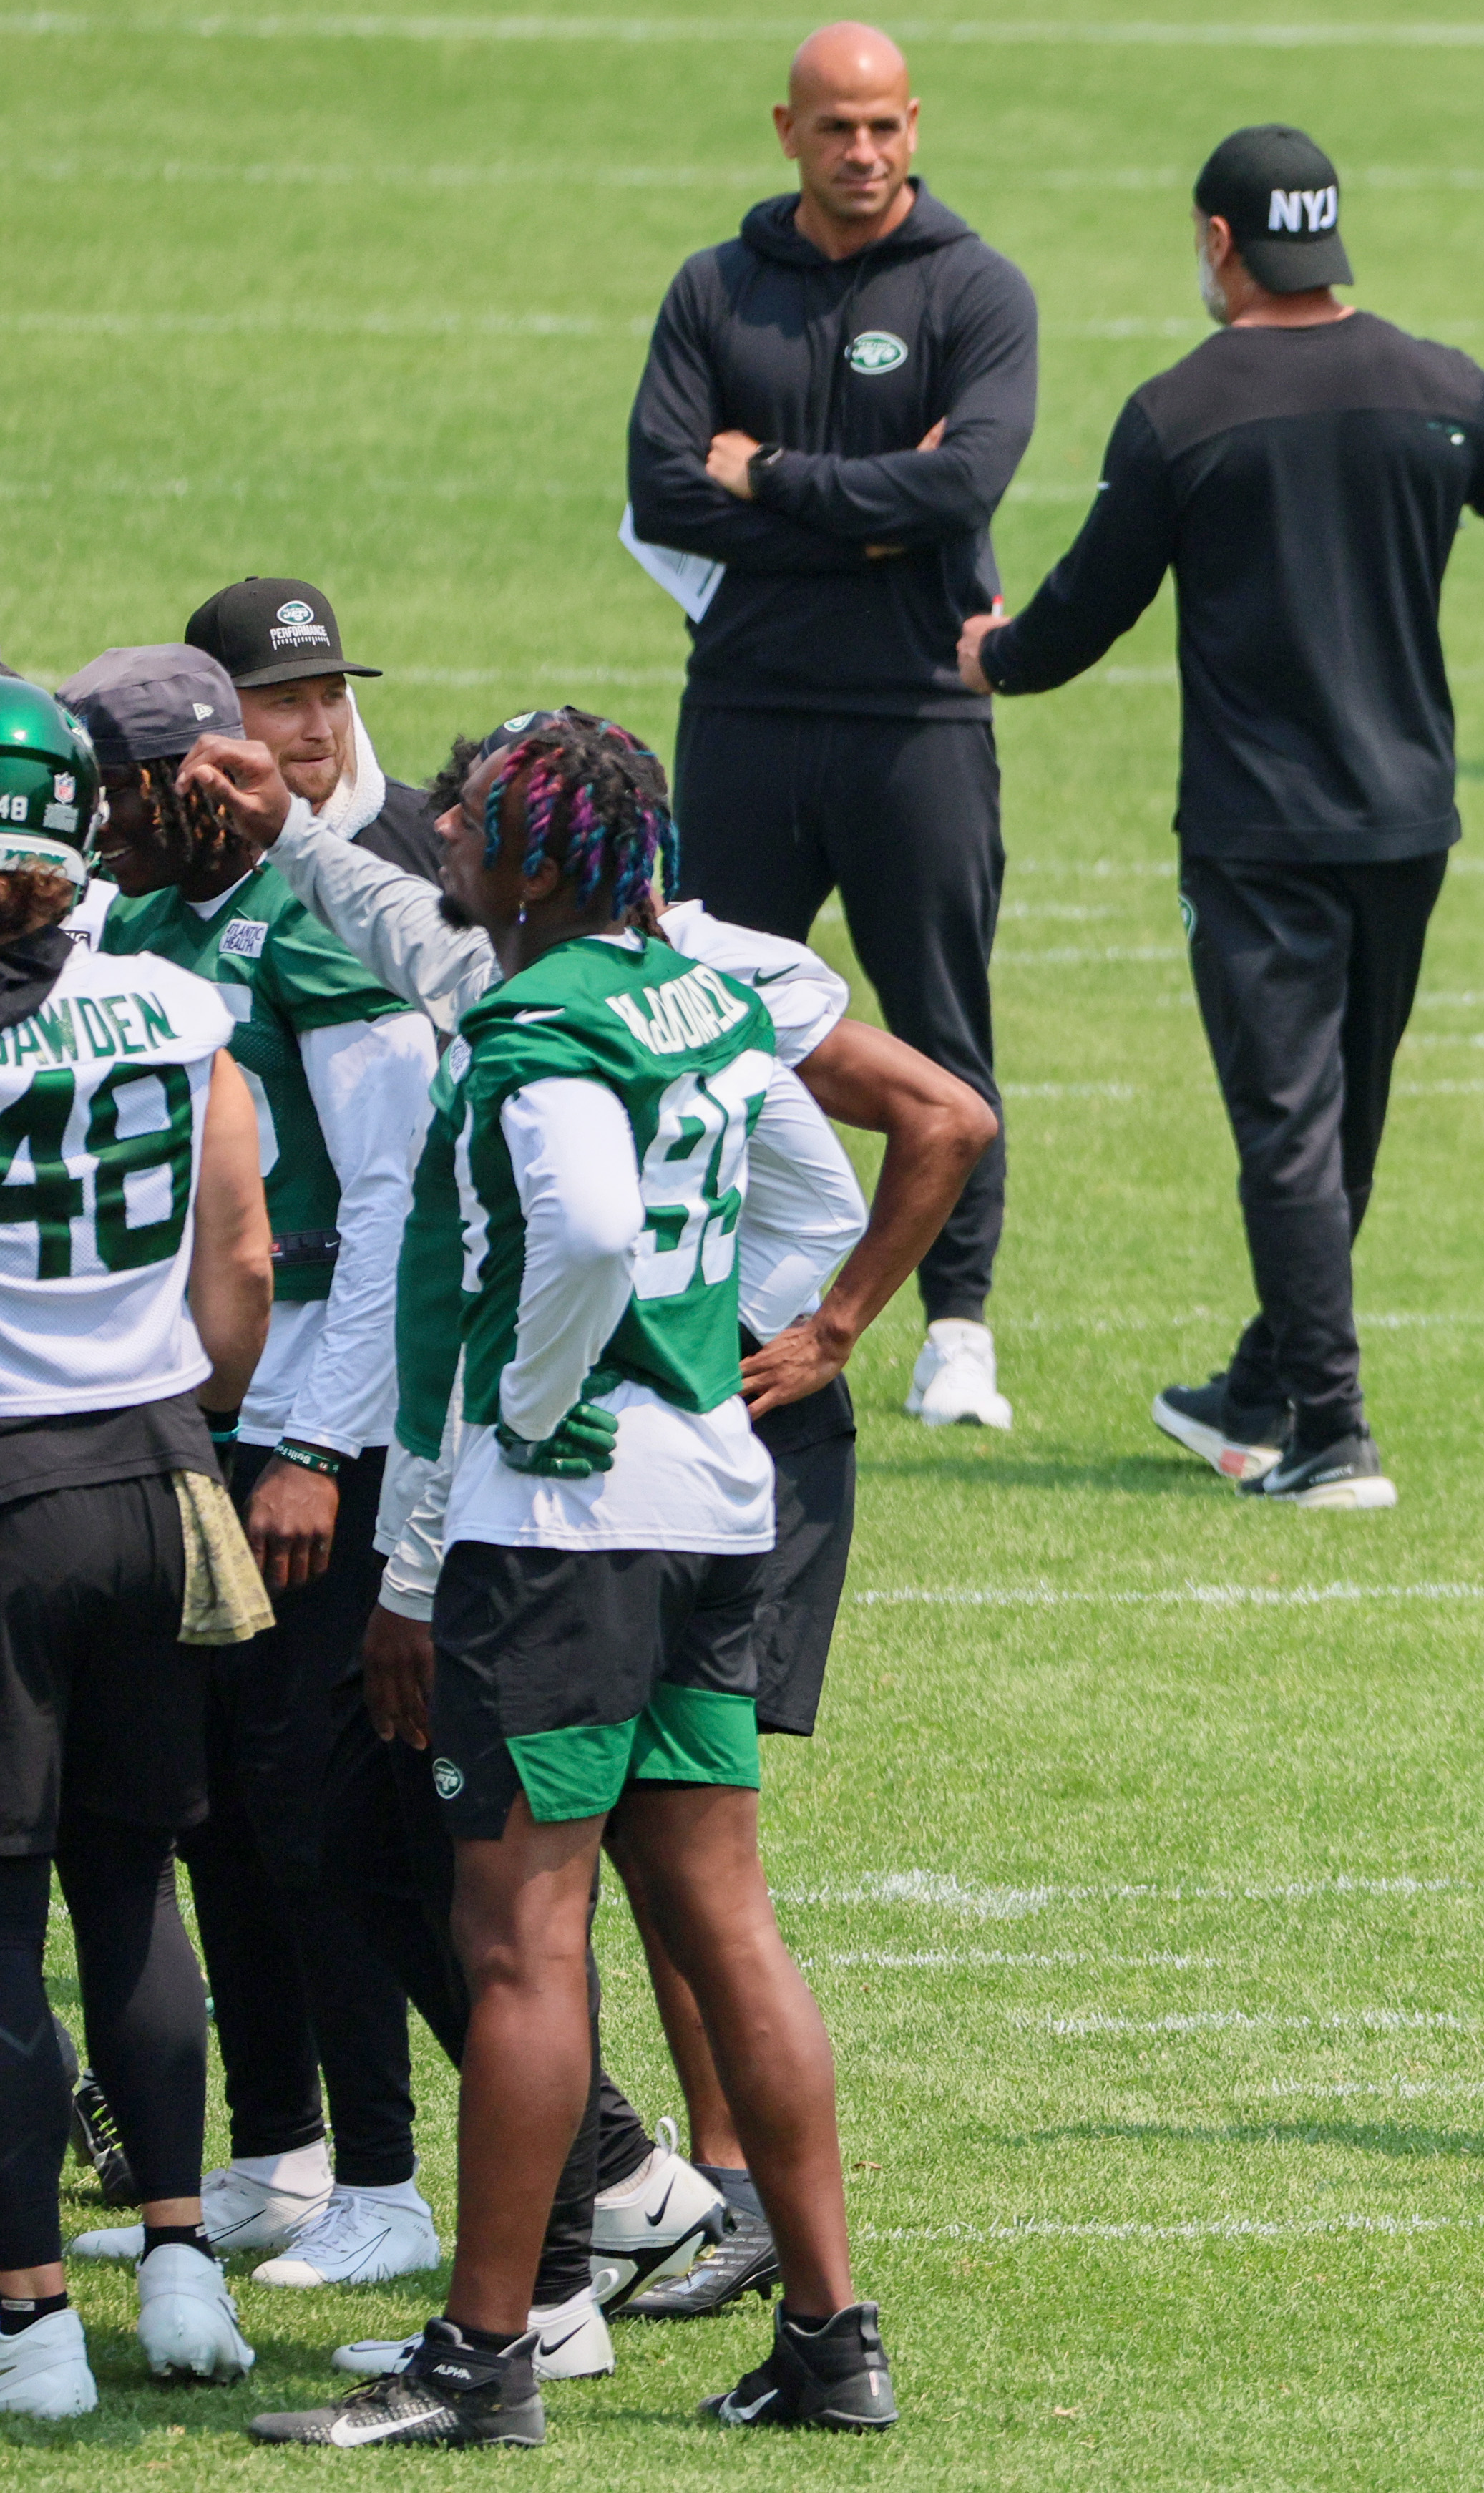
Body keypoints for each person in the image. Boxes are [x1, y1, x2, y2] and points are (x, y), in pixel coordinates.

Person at [190, 708, 988, 2328]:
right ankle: (826, 2327)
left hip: (566, 1515)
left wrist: (527, 1419)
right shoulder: (694, 990)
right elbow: (809, 1198)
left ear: (545, 856)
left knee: (518, 1933)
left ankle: (507, 2329)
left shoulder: (545, 1023)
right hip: (706, 1490)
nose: (444, 837)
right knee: (717, 1909)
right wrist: (284, 827)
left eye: (471, 818)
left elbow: (597, 1236)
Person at [960, 124, 1484, 1509]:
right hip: (1400, 826)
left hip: (1256, 838)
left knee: (1289, 1134)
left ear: (1217, 242)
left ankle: (1330, 1431)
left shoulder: (1183, 412)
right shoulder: (1436, 385)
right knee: (1336, 1130)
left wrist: (990, 657)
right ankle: (1264, 1385)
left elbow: (1083, 612)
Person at [49, 647, 452, 2298]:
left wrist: (309, 1450)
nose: (91, 823)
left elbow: (384, 1221)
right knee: (221, 1817)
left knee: (321, 1817)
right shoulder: (136, 925)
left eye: (112, 793)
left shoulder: (306, 935)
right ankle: (277, 2152)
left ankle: (392, 2178)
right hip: (203, 1445)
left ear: (183, 784)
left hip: (315, 1459)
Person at [625, 19, 1034, 1431]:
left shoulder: (978, 291)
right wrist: (871, 518)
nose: (861, 153)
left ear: (914, 126)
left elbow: (964, 484)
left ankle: (957, 1329)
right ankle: (718, 1292)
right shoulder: (714, 290)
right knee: (709, 1014)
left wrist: (776, 483)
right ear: (786, 130)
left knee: (941, 1022)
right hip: (743, 711)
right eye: (833, 128)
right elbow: (664, 494)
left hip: (917, 719)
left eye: (883, 127)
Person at [0, 672, 275, 2422]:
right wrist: (187, 1408)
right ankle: (180, 2259)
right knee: (134, 1877)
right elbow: (240, 1260)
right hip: (168, 1476)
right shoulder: (172, 1000)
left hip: (8, 1495)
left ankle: (30, 2310)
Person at [184, 578, 442, 879]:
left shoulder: (433, 834)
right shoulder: (161, 853)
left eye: (333, 697)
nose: (321, 731)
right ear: (215, 713)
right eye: (287, 701)